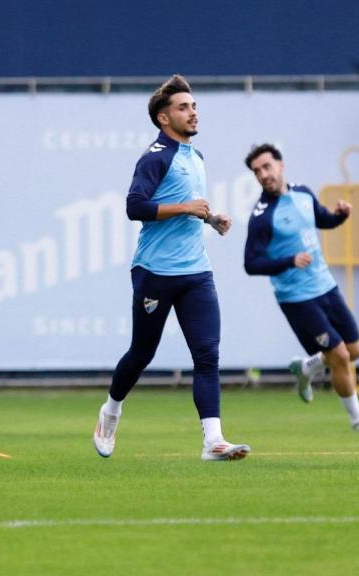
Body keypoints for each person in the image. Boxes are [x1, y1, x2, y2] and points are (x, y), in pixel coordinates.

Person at [91, 75, 251, 461]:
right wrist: (187, 209)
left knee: (207, 354)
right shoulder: (155, 157)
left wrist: (211, 219)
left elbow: (190, 205)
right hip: (155, 272)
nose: (192, 112)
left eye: (194, 105)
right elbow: (134, 206)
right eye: (183, 107)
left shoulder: (196, 157)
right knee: (142, 353)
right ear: (164, 118)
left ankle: (213, 441)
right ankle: (110, 411)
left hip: (196, 272)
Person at [243, 143, 359, 431]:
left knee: (354, 351)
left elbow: (321, 219)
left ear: (281, 165)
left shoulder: (302, 191)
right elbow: (251, 263)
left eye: (267, 167)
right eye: (257, 172)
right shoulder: (262, 216)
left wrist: (340, 215)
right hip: (296, 297)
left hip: (325, 285)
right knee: (339, 355)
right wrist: (289, 260)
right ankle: (358, 418)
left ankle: (307, 368)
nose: (263, 174)